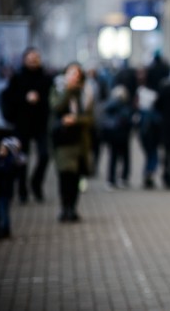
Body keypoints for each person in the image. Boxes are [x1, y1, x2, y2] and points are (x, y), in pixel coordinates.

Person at [2, 47, 52, 203]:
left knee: (44, 155)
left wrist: (39, 99)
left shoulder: (46, 78)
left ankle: (36, 183)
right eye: (30, 59)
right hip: (22, 124)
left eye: (36, 58)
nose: (33, 61)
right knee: (22, 159)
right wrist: (25, 98)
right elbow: (9, 98)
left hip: (41, 125)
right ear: (25, 60)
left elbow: (51, 100)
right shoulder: (17, 78)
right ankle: (22, 190)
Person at [49, 62, 94, 222]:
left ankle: (73, 208)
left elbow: (90, 119)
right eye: (70, 73)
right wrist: (67, 89)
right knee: (64, 175)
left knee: (76, 176)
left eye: (76, 73)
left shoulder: (86, 93)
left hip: (80, 141)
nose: (73, 76)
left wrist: (76, 119)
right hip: (62, 140)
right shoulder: (58, 89)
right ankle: (64, 208)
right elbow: (56, 107)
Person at [101, 85, 134, 189]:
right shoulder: (124, 106)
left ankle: (113, 179)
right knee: (123, 158)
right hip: (121, 135)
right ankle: (121, 178)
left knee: (114, 158)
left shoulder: (111, 105)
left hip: (115, 135)